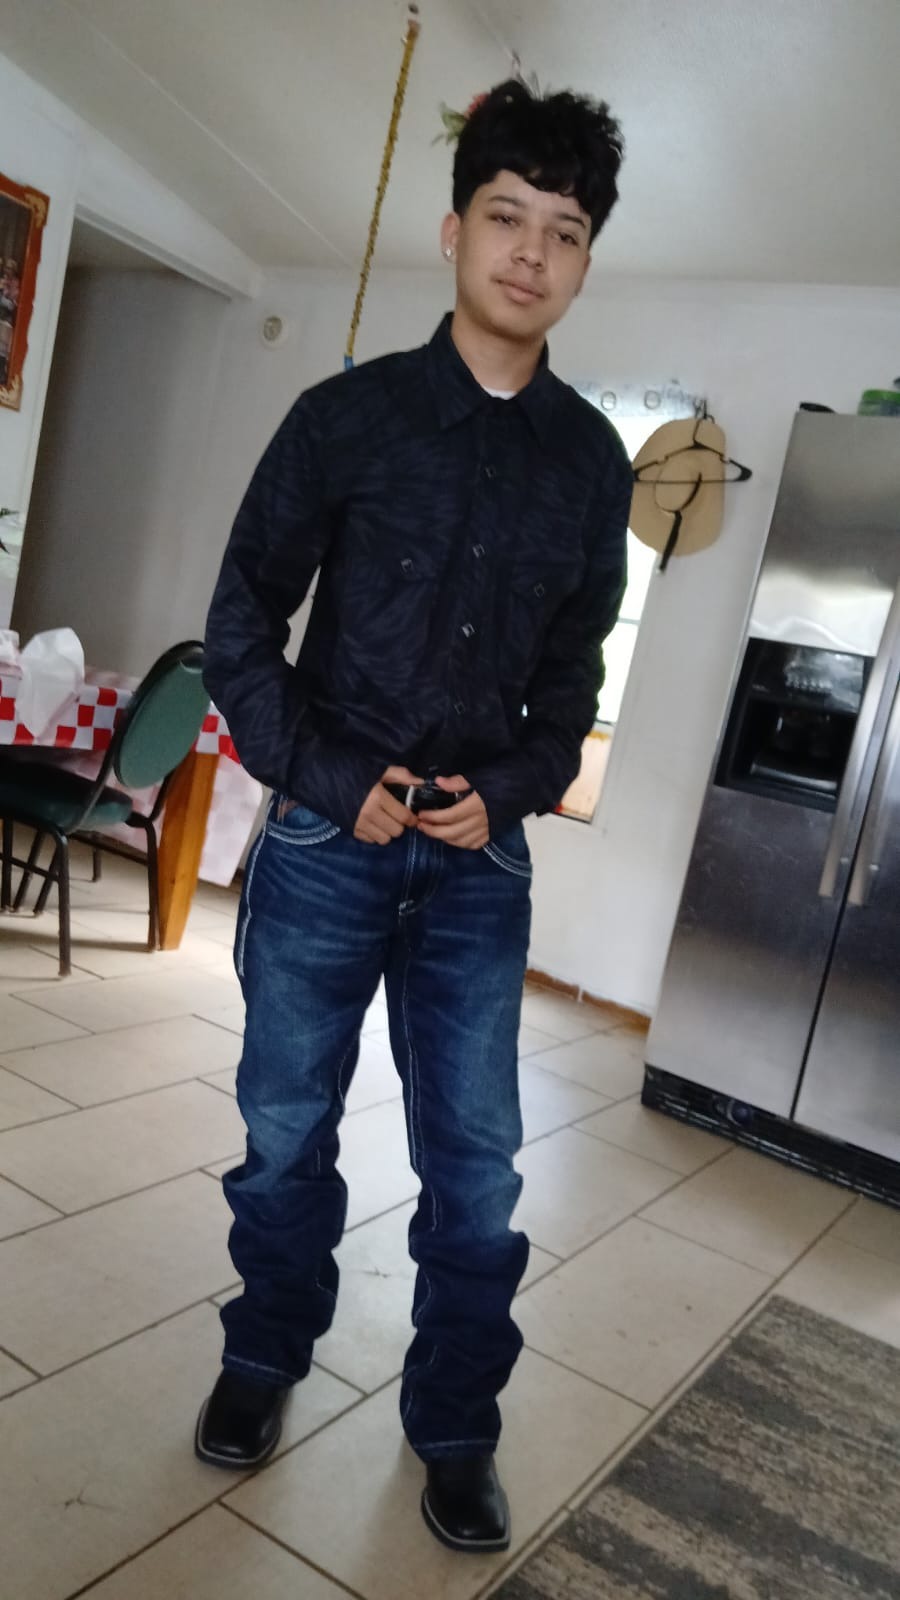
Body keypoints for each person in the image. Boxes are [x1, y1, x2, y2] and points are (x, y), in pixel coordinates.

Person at [197, 77, 630, 1553]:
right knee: (282, 1132)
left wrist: (507, 791)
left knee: (479, 1171)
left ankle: (454, 1427)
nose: (530, 251)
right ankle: (263, 1356)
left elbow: (570, 688)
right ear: (454, 232)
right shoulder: (347, 419)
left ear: (584, 262)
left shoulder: (593, 464)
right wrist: (329, 777)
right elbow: (242, 622)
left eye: (563, 231)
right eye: (507, 217)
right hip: (328, 844)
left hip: (477, 866)